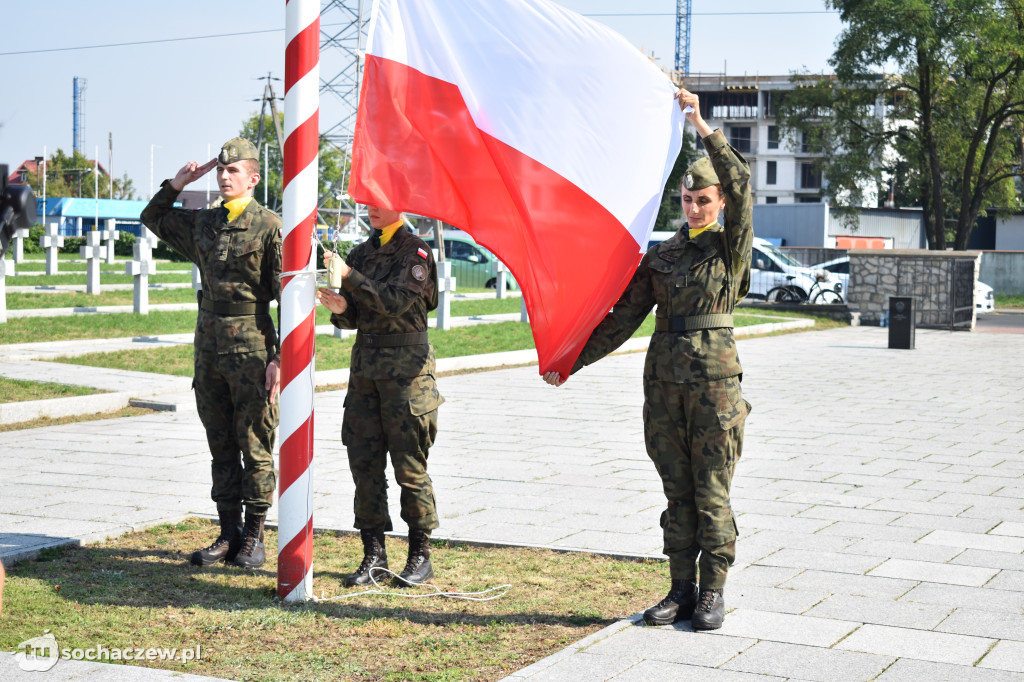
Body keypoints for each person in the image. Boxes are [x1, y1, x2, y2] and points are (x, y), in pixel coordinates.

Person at [543, 89, 752, 631]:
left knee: (711, 489)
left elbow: (743, 185)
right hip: (663, 386)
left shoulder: (730, 247)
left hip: (713, 388)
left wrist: (701, 124)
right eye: (687, 200)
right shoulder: (661, 256)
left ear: (720, 201)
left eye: (704, 199)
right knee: (676, 489)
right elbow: (621, 318)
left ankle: (713, 592)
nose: (695, 207)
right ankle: (680, 588)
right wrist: (572, 360)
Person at [141, 137, 282, 569]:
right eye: (220, 170)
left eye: (233, 171)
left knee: (255, 444)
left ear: (253, 178)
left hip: (253, 350)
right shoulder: (204, 223)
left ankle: (254, 539)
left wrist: (280, 359)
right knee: (220, 444)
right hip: (209, 349)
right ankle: (228, 533)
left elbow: (286, 296)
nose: (224, 176)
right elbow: (153, 217)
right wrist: (177, 184)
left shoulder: (271, 226)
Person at [317, 204, 444, 588]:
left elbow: (394, 304)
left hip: (407, 375)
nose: (372, 208)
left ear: (400, 204)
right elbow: (359, 312)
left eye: (381, 199)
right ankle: (373, 554)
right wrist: (342, 310)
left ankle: (420, 556)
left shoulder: (415, 251)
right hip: (366, 373)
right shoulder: (361, 251)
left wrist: (351, 277)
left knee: (409, 467)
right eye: (368, 200)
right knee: (365, 466)